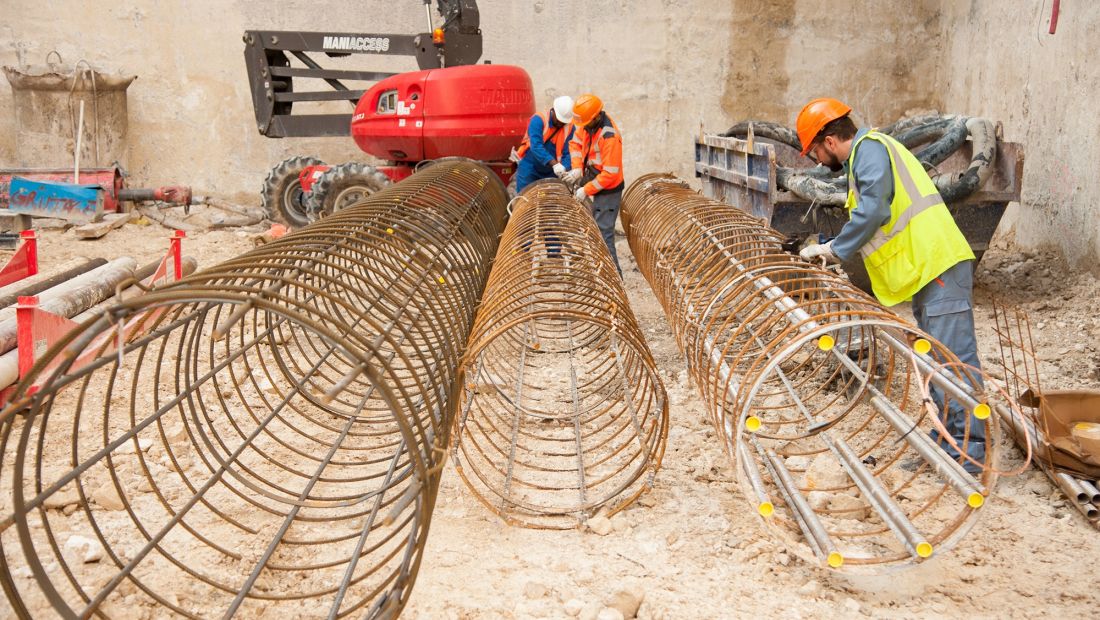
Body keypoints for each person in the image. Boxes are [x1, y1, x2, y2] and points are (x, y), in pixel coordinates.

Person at [795, 97, 985, 473]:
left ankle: (970, 454)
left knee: (954, 360)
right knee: (935, 358)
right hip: (926, 267)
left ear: (830, 141)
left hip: (937, 262)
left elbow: (874, 211)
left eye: (815, 151)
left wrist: (834, 250)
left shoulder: (870, 150)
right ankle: (946, 441)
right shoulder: (867, 156)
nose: (817, 161)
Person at [564, 93, 624, 276]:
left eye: (585, 123)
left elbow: (610, 174)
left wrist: (585, 189)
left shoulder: (609, 136)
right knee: (595, 230)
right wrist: (576, 169)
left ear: (596, 116)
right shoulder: (587, 125)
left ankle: (614, 278)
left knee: (604, 233)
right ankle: (598, 270)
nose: (582, 127)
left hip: (608, 188)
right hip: (592, 176)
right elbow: (575, 144)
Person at [513, 96, 575, 193]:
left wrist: (564, 168)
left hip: (552, 172)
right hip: (530, 167)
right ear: (553, 111)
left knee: (550, 202)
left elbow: (569, 152)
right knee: (524, 198)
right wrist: (555, 164)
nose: (561, 123)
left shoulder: (570, 127)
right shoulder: (539, 119)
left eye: (564, 122)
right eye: (559, 120)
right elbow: (536, 146)